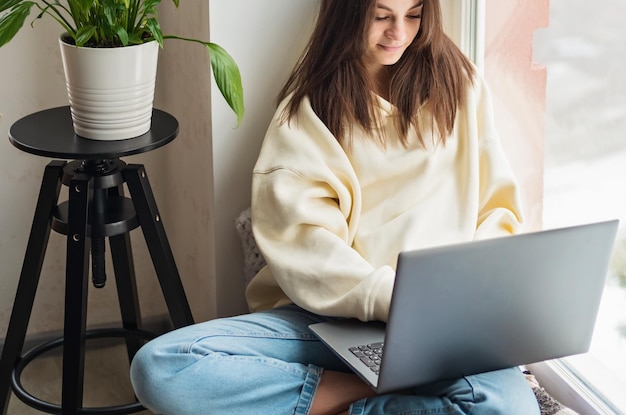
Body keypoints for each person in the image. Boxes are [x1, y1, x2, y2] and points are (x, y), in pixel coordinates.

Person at [129, 0, 540, 414]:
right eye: (382, 16)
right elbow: (307, 248)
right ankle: (365, 392)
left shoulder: (462, 85)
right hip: (332, 324)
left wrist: (478, 294)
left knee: (512, 409)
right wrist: (394, 297)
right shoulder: (309, 113)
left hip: (442, 325)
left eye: (413, 15)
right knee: (161, 367)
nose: (398, 32)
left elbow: (497, 209)